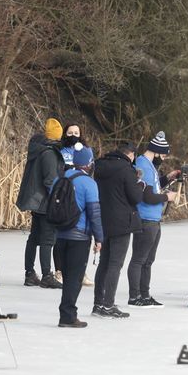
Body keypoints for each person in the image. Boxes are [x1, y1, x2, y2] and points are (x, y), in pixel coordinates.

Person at [127, 131, 180, 308]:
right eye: (163, 155)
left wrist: (167, 178)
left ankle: (145, 294)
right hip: (146, 219)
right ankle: (134, 296)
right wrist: (167, 197)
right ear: (156, 152)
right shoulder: (143, 166)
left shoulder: (149, 166)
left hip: (154, 219)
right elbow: (148, 197)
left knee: (148, 260)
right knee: (139, 259)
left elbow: (153, 187)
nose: (163, 159)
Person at [92, 141, 145, 319]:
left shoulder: (100, 166)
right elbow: (135, 197)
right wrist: (139, 184)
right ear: (131, 154)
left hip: (103, 219)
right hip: (122, 222)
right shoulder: (126, 169)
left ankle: (98, 304)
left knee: (104, 263)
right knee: (115, 264)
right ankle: (108, 305)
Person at [52, 144, 103, 328]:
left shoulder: (60, 178)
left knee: (67, 276)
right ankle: (68, 316)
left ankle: (66, 313)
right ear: (89, 164)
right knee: (75, 278)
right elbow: (94, 214)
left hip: (60, 235)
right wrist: (99, 238)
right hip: (79, 237)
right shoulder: (89, 184)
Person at [16, 117, 65, 289]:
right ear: (58, 136)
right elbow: (50, 181)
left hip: (36, 202)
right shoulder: (50, 153)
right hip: (45, 203)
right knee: (47, 239)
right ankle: (46, 276)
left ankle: (29, 273)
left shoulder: (38, 149)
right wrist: (58, 201)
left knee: (34, 238)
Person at [54, 123, 94, 288]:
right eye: (70, 132)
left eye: (76, 132)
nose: (73, 135)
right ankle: (59, 271)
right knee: (61, 235)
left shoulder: (86, 150)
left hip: (82, 194)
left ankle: (80, 271)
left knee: (84, 236)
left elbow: (91, 170)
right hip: (65, 194)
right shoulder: (60, 150)